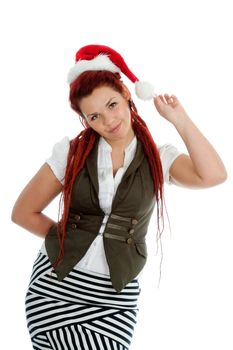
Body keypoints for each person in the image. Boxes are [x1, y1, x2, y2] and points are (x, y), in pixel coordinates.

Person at [11, 44, 227, 350]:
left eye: (112, 105)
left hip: (114, 297)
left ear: (126, 92)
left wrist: (179, 120)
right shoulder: (71, 154)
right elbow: (23, 213)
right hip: (56, 287)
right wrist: (68, 237)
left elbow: (213, 175)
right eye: (95, 116)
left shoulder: (158, 158)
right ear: (86, 120)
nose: (109, 121)